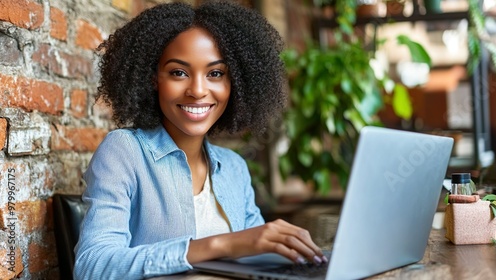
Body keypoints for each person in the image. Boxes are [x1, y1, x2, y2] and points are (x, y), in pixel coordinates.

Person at [73, 1, 327, 279]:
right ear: (152, 78)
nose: (197, 90)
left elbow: (258, 258)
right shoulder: (124, 152)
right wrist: (220, 244)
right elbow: (92, 267)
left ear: (236, 84)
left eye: (215, 73)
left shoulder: (234, 168)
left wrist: (293, 253)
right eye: (178, 72)